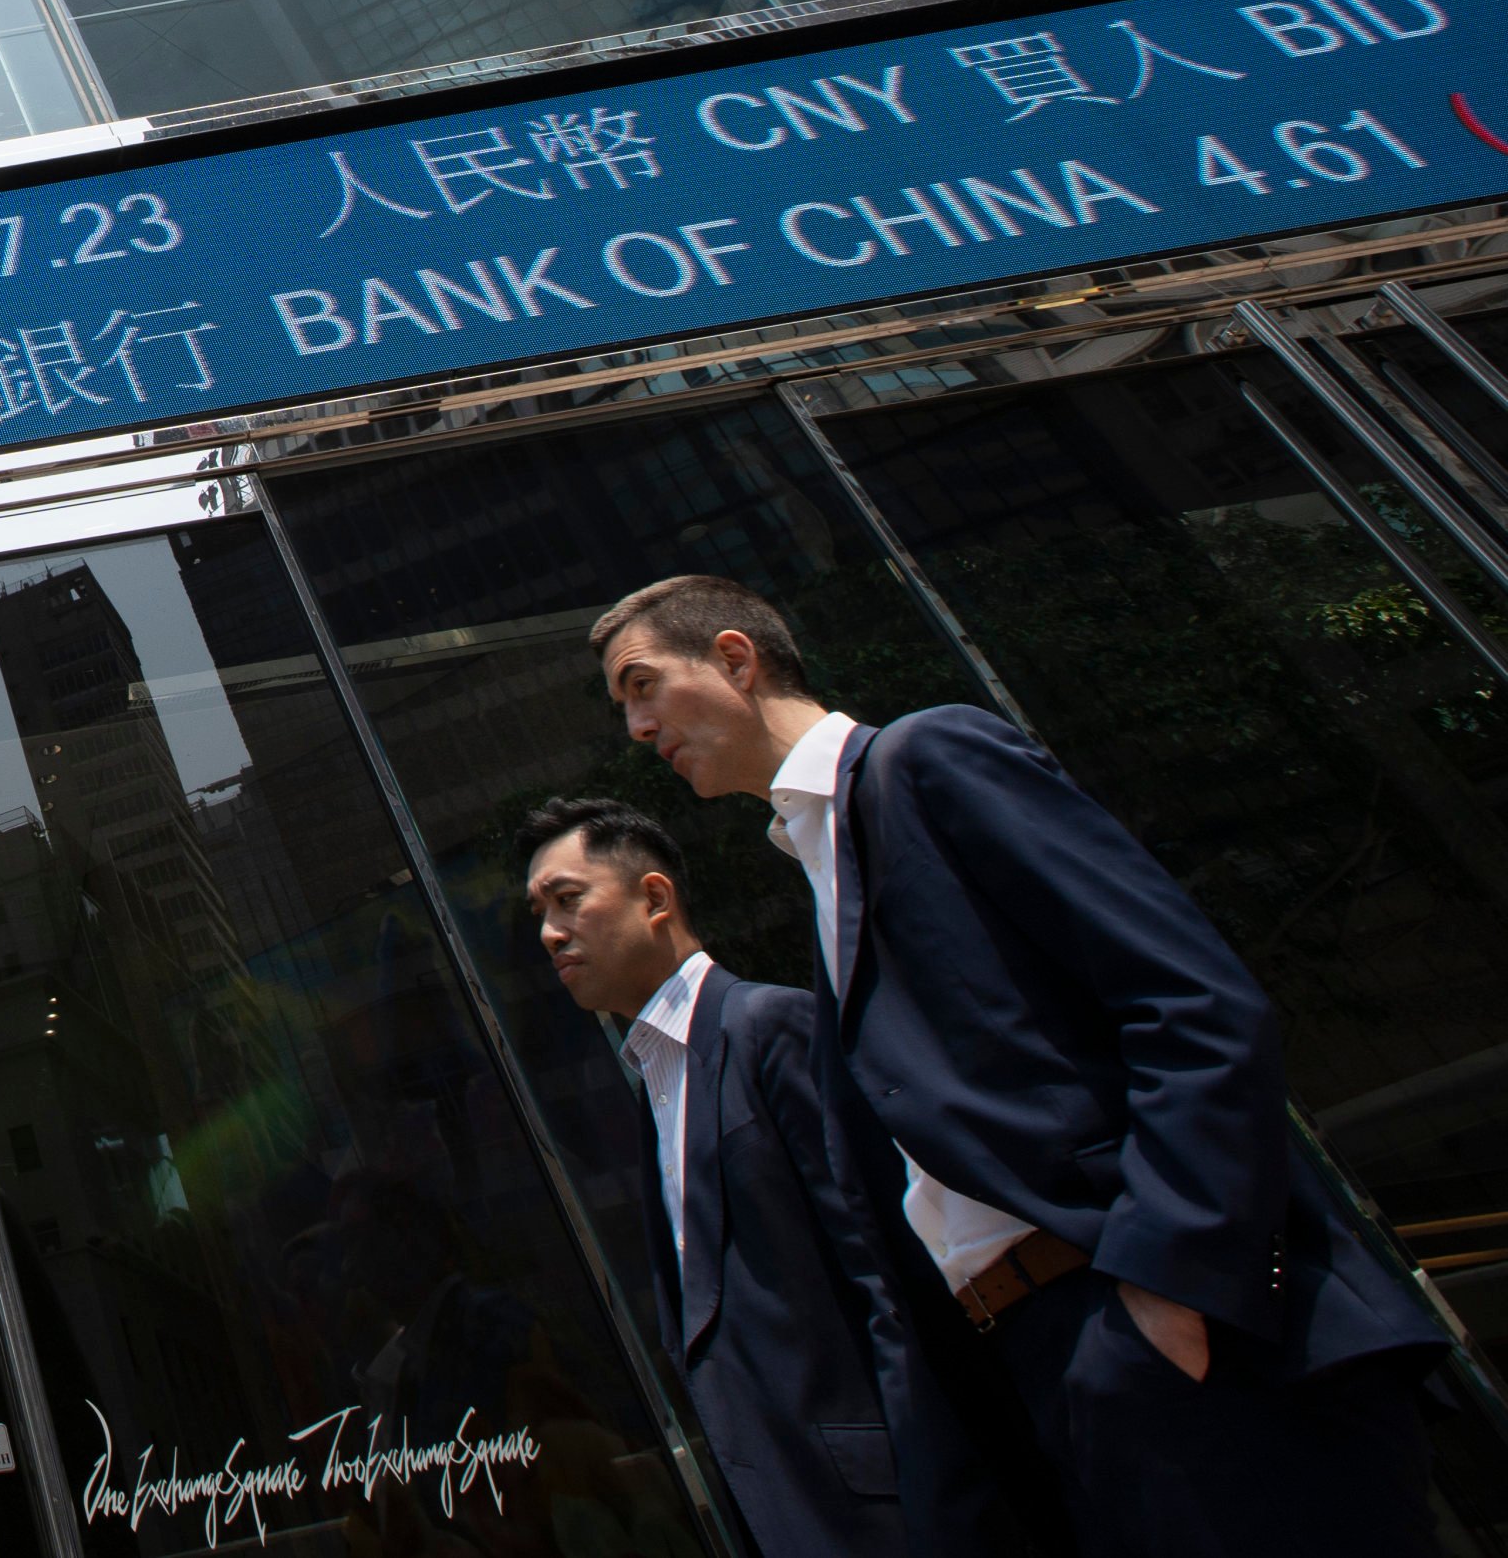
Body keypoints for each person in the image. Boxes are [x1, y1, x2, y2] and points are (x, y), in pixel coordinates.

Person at [596, 570, 1446, 1556]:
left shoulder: (929, 759)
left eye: (642, 685)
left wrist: (1167, 1290)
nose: (637, 729)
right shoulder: (823, 870)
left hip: (1175, 1337)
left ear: (736, 660)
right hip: (1058, 1367)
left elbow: (1191, 1004)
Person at [521, 795, 907, 1558]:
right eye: (538, 912)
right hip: (781, 1509)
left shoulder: (769, 1028)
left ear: (654, 898)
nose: (548, 933)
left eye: (567, 900)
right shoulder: (655, 1077)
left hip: (879, 1509)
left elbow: (885, 1272)